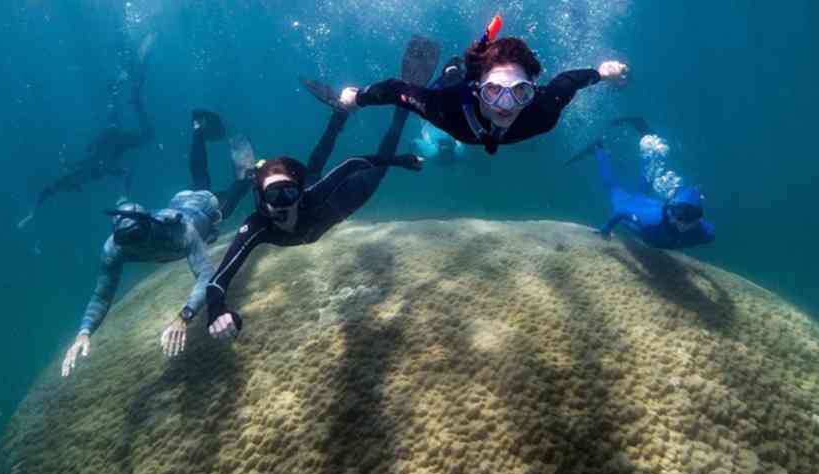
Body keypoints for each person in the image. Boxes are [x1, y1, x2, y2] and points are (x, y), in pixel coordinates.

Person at [205, 37, 438, 340]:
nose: (283, 204)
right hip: (323, 207)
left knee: (348, 173)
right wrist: (215, 310)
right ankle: (339, 113)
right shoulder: (257, 227)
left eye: (288, 193)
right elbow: (218, 281)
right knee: (313, 170)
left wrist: (399, 160)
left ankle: (394, 109)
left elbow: (353, 163)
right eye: (273, 197)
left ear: (297, 192)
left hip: (336, 203)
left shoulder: (307, 196)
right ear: (261, 201)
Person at [61, 111, 255, 377]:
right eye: (126, 240)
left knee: (236, 185)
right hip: (183, 201)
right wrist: (84, 332)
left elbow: (206, 273)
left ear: (149, 225)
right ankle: (198, 128)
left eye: (137, 237)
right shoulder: (115, 247)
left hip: (205, 209)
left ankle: (220, 146)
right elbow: (102, 294)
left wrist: (184, 316)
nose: (135, 246)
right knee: (200, 178)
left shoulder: (178, 231)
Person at [335, 16, 629, 155]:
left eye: (520, 92)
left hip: (472, 107)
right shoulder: (445, 109)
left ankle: (462, 66)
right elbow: (394, 89)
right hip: (459, 93)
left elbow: (569, 82)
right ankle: (454, 67)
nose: (505, 105)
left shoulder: (543, 110)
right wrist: (358, 97)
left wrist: (601, 73)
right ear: (479, 88)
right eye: (493, 91)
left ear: (532, 90)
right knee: (450, 80)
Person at [18, 33, 157, 229]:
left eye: (75, 182)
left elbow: (125, 171)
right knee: (117, 123)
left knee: (141, 133)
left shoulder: (95, 169)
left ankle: (126, 92)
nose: (77, 183)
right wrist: (31, 213)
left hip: (113, 141)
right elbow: (48, 190)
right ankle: (121, 90)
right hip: (109, 140)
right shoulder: (82, 173)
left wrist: (124, 193)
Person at [568, 118, 715, 249]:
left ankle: (650, 142)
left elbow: (706, 232)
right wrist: (605, 230)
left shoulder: (704, 231)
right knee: (613, 188)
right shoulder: (650, 221)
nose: (684, 223)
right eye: (680, 216)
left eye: (691, 216)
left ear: (699, 217)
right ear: (672, 211)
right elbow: (621, 212)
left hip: (648, 205)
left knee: (643, 189)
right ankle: (599, 149)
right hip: (631, 206)